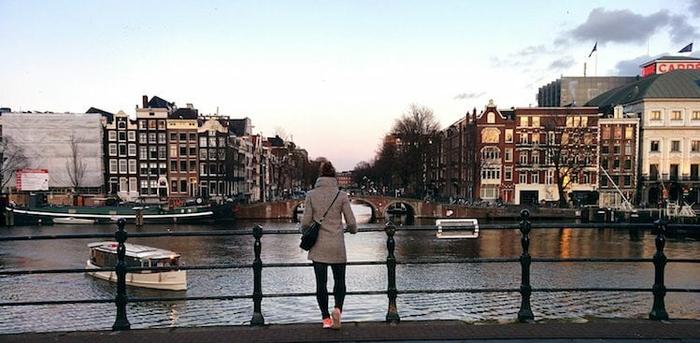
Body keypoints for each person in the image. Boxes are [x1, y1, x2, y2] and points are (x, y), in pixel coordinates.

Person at [300, 161, 357, 329]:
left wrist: (306, 232)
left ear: (319, 175)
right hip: (337, 245)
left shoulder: (311, 195)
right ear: (334, 176)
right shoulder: (341, 195)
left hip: (318, 246)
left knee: (321, 284)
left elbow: (305, 223)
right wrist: (350, 230)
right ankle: (338, 309)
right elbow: (352, 223)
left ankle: (325, 319)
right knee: (340, 281)